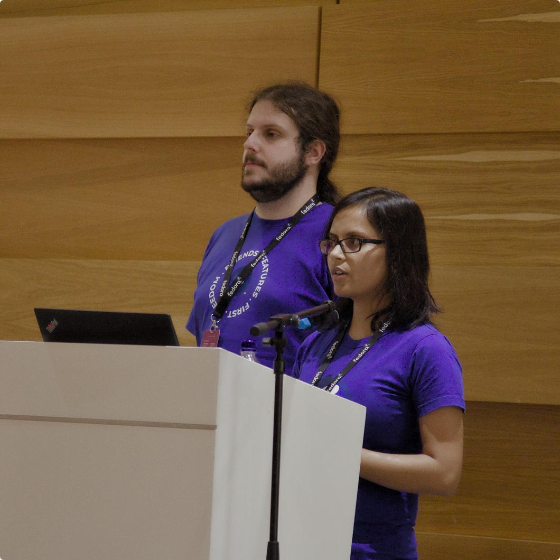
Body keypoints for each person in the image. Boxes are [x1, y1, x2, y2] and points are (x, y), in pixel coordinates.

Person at [291, 187, 465, 559]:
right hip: (298, 539)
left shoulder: (425, 349)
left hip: (372, 549)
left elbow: (444, 473)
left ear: (398, 253)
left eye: (354, 242)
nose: (336, 254)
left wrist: (338, 452)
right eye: (332, 241)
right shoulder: (314, 344)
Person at [187, 82, 342, 371]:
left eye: (271, 134)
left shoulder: (338, 233)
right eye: (249, 133)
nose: (250, 144)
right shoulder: (225, 234)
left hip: (291, 409)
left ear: (314, 152)